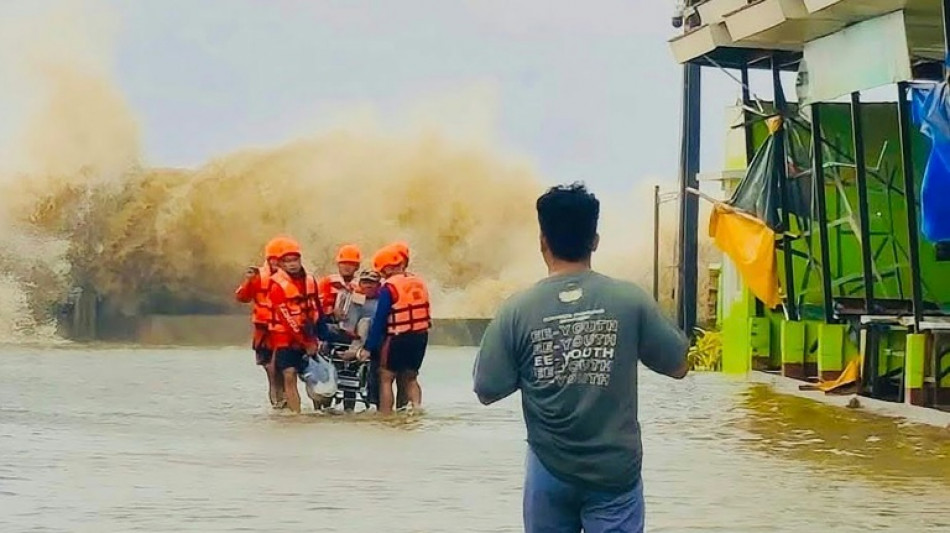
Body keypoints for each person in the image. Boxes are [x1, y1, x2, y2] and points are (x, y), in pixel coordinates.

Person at [472, 182, 689, 533]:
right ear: (595, 240)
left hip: (548, 469)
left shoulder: (516, 311)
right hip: (615, 470)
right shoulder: (630, 300)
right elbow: (678, 365)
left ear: (543, 241)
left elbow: (486, 388)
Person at [364, 246, 432, 415]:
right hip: (420, 336)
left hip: (397, 337)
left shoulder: (389, 287)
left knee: (386, 377)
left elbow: (380, 319)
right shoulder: (419, 282)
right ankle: (416, 410)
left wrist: (369, 347)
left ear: (386, 268)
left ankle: (386, 415)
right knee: (410, 377)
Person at [268, 237, 327, 413]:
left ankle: (320, 410)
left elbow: (317, 308)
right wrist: (305, 342)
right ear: (280, 264)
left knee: (314, 376)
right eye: (288, 261)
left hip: (309, 333)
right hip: (286, 338)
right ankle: (296, 415)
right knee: (289, 374)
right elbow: (286, 317)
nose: (292, 264)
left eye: (295, 260)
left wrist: (318, 337)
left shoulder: (310, 280)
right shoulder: (277, 284)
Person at [234, 236, 288, 408]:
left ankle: (285, 402)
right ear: (268, 259)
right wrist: (249, 281)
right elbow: (242, 297)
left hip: (283, 329)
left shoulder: (291, 278)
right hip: (263, 329)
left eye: (280, 260)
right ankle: (278, 404)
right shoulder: (258, 275)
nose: (276, 263)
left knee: (282, 369)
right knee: (271, 370)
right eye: (274, 259)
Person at [317, 244, 362, 323]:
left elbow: (361, 308)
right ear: (338, 264)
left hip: (352, 324)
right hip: (329, 323)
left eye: (351, 264)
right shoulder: (327, 282)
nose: (347, 267)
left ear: (357, 267)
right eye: (344, 263)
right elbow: (318, 307)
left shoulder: (360, 285)